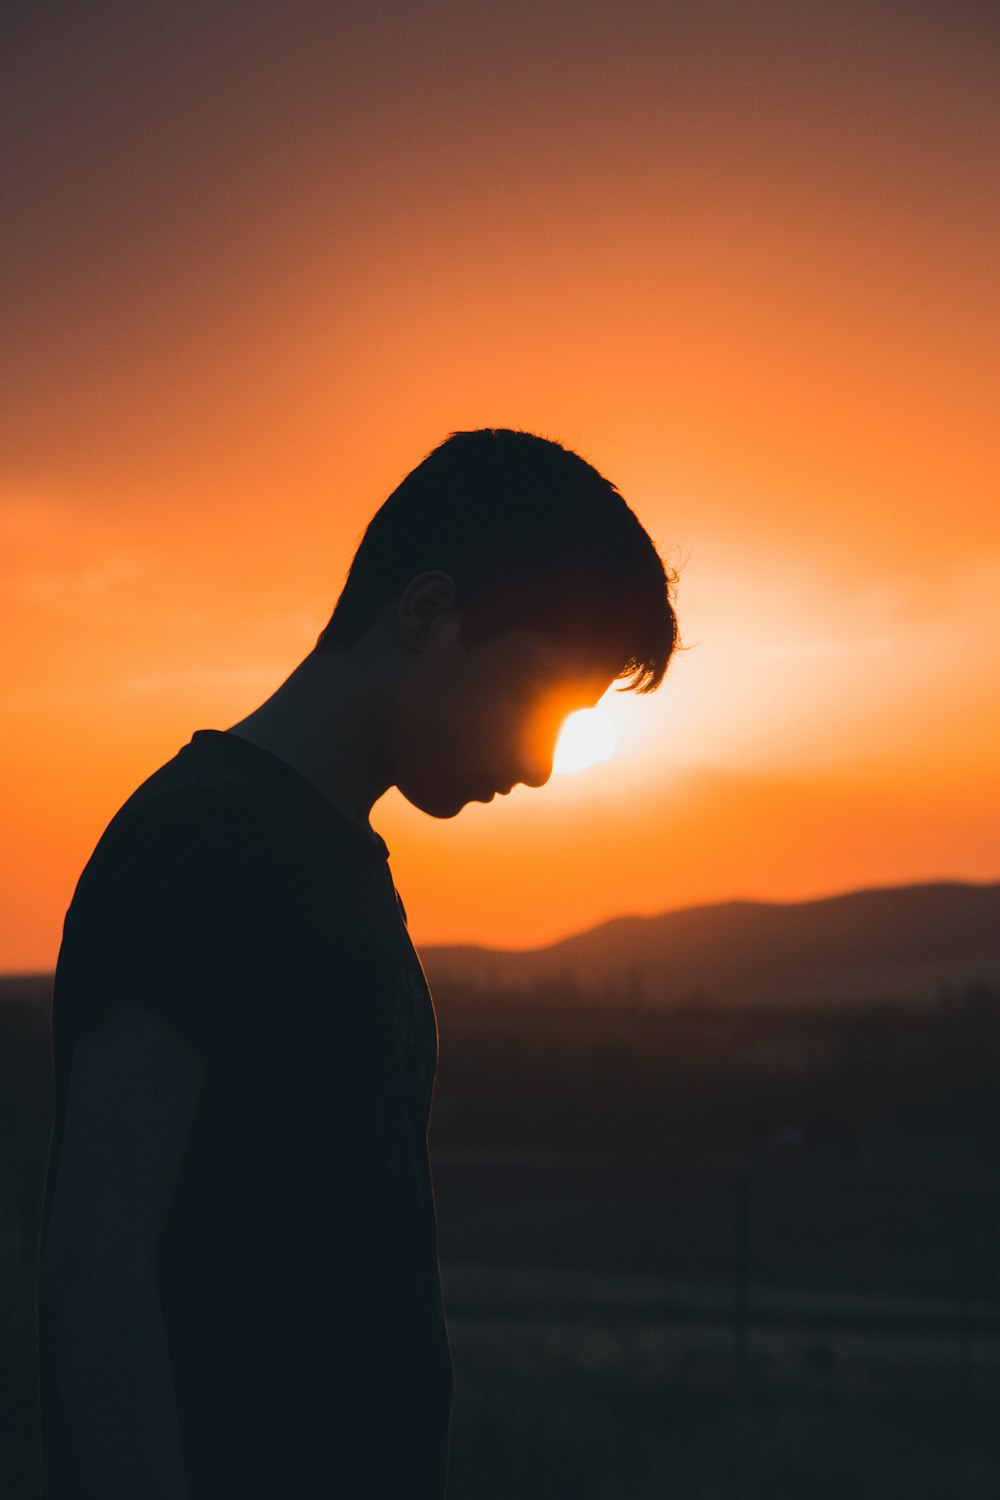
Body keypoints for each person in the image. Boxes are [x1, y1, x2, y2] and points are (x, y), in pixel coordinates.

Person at [35, 427, 679, 1498]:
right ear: (428, 614)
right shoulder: (202, 846)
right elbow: (97, 1273)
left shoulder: (328, 860)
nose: (538, 765)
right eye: (541, 703)